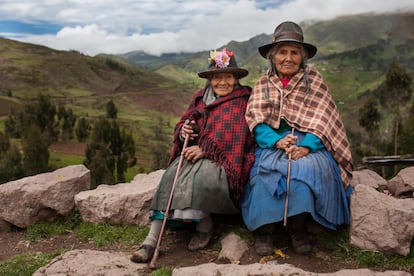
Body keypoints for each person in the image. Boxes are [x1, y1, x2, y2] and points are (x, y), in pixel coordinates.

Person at [130, 48, 255, 263]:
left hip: (226, 160)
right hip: (193, 153)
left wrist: (206, 150)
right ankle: (150, 240)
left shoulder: (242, 100)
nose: (222, 82)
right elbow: (185, 121)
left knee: (203, 177)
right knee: (172, 175)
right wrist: (185, 131)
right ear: (210, 80)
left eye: (227, 77)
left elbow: (239, 135)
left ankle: (204, 226)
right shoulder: (200, 99)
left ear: (235, 79)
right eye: (217, 78)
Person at [241, 21, 353, 256]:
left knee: (305, 172)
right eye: (283, 52)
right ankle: (265, 230)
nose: (289, 58)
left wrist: (306, 147)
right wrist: (277, 141)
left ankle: (298, 227)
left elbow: (325, 120)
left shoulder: (315, 80)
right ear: (273, 57)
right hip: (272, 141)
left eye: (294, 52)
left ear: (302, 57)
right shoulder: (264, 84)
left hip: (309, 143)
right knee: (263, 173)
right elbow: (256, 122)